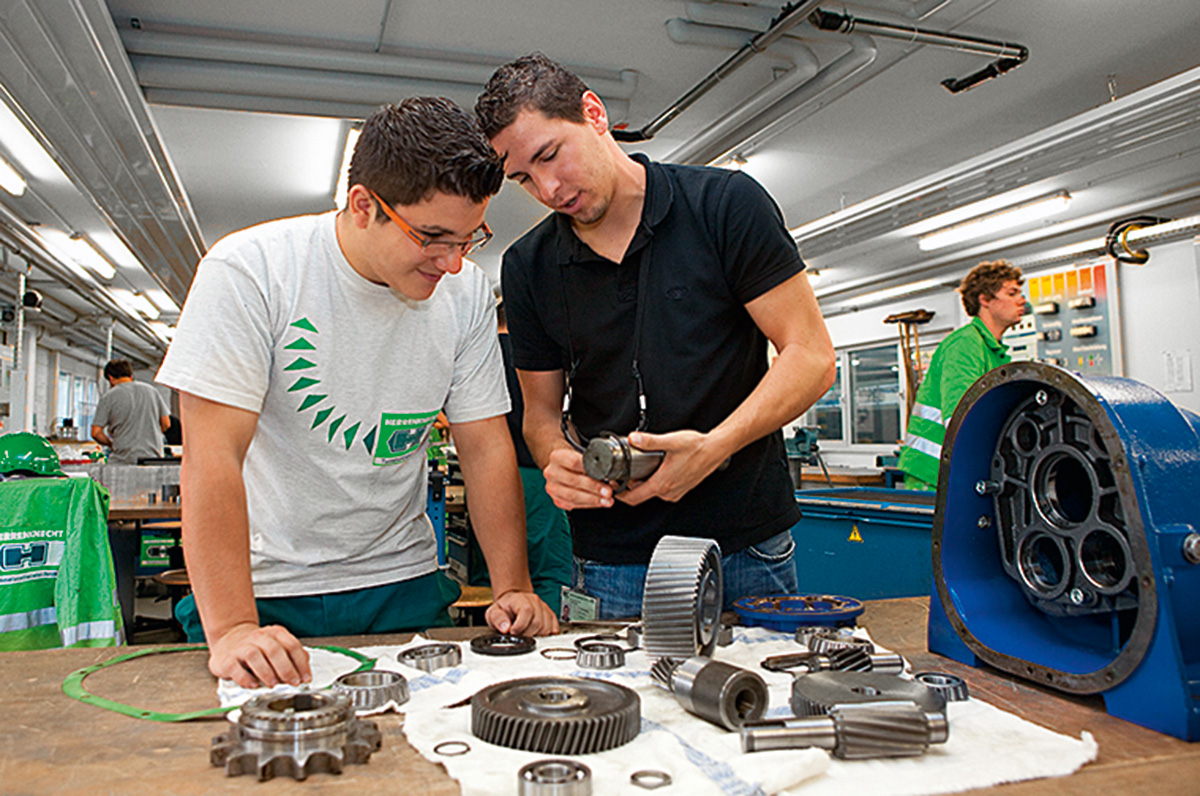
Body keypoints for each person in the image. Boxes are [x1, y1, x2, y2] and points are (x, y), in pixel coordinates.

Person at [156, 97, 557, 689]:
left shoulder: (466, 292)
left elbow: (484, 446)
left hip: (402, 583)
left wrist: (513, 587)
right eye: (432, 237)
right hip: (263, 589)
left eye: (469, 238)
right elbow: (212, 456)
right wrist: (234, 627)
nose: (451, 263)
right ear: (365, 205)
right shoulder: (251, 270)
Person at [475, 54, 836, 619]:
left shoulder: (724, 206)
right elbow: (540, 416)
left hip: (745, 544)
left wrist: (716, 446)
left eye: (549, 155)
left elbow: (811, 356)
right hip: (610, 560)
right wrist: (557, 460)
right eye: (522, 178)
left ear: (594, 113)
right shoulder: (528, 267)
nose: (547, 188)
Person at [898, 260, 1026, 490]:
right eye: (1011, 293)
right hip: (933, 474)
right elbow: (960, 417)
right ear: (985, 300)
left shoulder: (994, 353)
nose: (1022, 299)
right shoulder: (964, 345)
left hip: (956, 470)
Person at [495, 298, 572, 615]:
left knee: (494, 575)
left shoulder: (482, 353)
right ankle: (550, 631)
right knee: (549, 573)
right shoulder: (537, 355)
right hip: (538, 474)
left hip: (491, 479)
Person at [91, 359, 170, 464]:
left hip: (123, 460)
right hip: (153, 459)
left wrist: (111, 444)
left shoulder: (108, 397)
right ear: (131, 376)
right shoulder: (152, 391)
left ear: (110, 378)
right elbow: (166, 423)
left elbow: (96, 433)